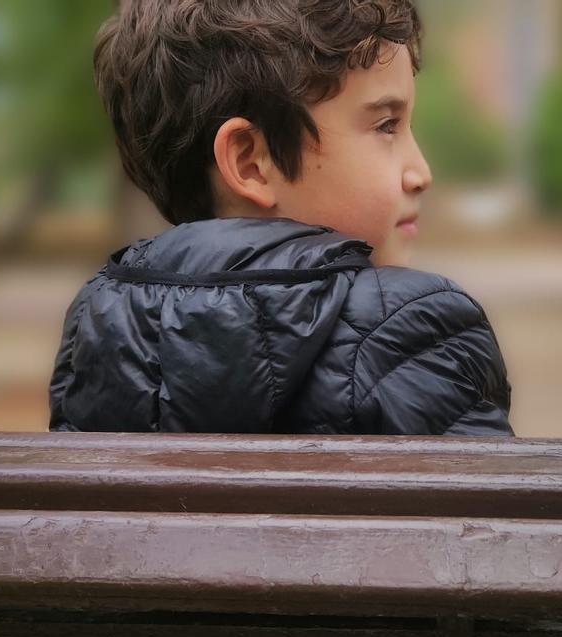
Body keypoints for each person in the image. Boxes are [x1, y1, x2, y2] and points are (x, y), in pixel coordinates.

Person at [48, 0, 512, 435]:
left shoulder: (101, 332)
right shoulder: (413, 334)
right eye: (386, 125)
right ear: (251, 163)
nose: (421, 173)